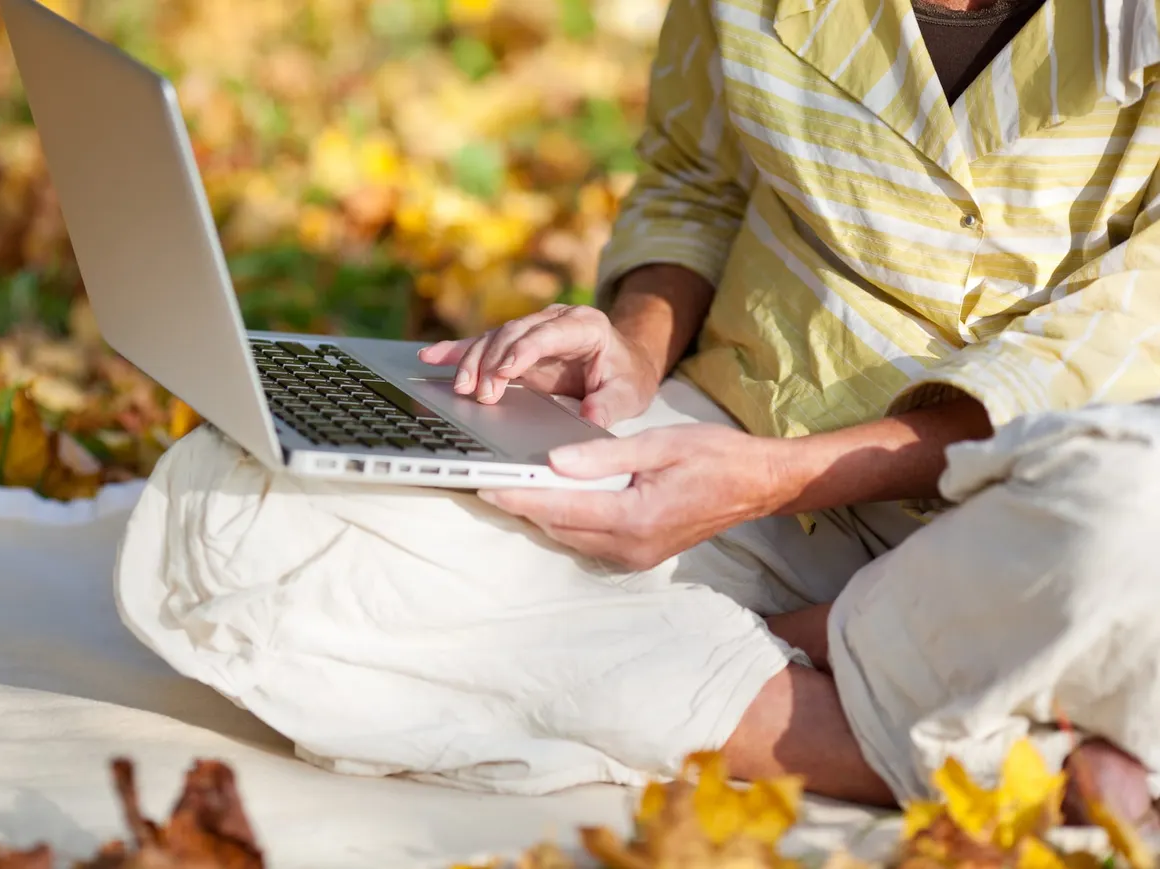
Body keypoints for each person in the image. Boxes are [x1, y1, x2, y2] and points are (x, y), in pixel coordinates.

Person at [415, 0, 1160, 827]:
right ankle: (993, 752)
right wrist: (629, 351)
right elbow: (696, 182)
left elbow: (1116, 342)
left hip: (1020, 511)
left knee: (1135, 524)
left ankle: (739, 654)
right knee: (280, 515)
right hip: (720, 432)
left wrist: (775, 481)